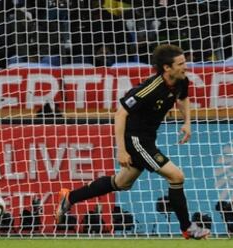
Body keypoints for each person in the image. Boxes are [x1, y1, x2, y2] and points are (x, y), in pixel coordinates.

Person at [55, 44, 211, 240]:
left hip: (147, 138)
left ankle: (69, 198)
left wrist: (187, 122)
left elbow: (182, 99)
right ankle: (188, 228)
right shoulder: (149, 89)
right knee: (176, 176)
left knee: (122, 183)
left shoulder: (181, 80)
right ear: (166, 68)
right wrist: (121, 150)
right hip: (135, 139)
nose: (185, 66)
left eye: (184, 62)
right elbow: (120, 114)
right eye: (180, 63)